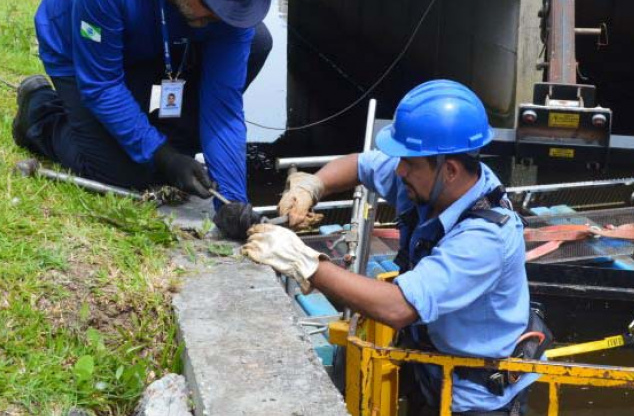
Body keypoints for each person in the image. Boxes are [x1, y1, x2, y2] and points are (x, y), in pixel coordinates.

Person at [216, 80, 545, 415]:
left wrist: (304, 260)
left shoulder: (484, 239)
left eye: (409, 163)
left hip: (475, 400)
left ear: (449, 170)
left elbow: (398, 308)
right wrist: (312, 186)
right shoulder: (435, 179)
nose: (399, 169)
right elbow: (362, 165)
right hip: (430, 369)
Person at [12, 0, 273, 204]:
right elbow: (102, 85)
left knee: (257, 41)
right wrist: (163, 156)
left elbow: (222, 107)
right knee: (124, 173)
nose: (220, 15)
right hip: (83, 55)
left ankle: (165, 143)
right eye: (211, 3)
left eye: (228, 7)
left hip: (168, 48)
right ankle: (39, 111)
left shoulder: (223, 15)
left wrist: (232, 201)